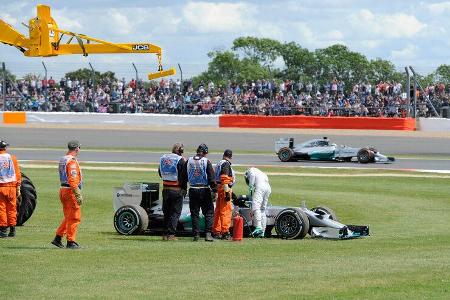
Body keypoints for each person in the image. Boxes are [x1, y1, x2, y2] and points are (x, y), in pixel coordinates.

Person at [51, 140, 83, 249]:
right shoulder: (72, 161)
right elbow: (73, 179)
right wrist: (77, 193)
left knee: (68, 216)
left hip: (63, 190)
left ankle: (58, 238)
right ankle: (71, 241)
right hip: (70, 191)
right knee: (74, 217)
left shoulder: (63, 159)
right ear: (77, 148)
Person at [183, 143, 217, 242]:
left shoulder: (189, 160)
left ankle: (196, 235)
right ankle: (208, 234)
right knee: (209, 212)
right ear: (205, 152)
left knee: (194, 213)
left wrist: (184, 188)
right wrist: (215, 190)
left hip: (193, 189)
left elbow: (183, 176)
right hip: (204, 189)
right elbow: (211, 178)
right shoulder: (206, 161)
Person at [158, 142, 187, 241]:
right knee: (175, 213)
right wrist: (184, 189)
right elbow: (184, 176)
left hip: (165, 189)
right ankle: (171, 235)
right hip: (176, 190)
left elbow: (160, 173)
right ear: (181, 150)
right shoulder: (180, 160)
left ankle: (165, 234)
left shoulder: (163, 158)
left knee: (166, 212)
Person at [0, 140, 21, 238]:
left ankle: (3, 231)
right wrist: (18, 187)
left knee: (2, 209)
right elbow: (17, 174)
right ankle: (12, 230)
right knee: (12, 209)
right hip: (12, 187)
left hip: (1, 187)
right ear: (5, 148)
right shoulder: (12, 158)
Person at [212, 149, 235, 240]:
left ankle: (216, 231)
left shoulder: (219, 163)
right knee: (225, 211)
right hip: (224, 189)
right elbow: (224, 178)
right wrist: (227, 192)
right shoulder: (226, 164)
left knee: (218, 211)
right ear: (231, 157)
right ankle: (225, 232)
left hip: (219, 188)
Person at [244, 167, 271, 238]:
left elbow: (252, 175)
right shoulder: (261, 172)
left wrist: (250, 186)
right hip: (268, 188)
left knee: (255, 206)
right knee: (262, 209)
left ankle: (258, 228)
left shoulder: (251, 170)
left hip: (260, 187)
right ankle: (263, 231)